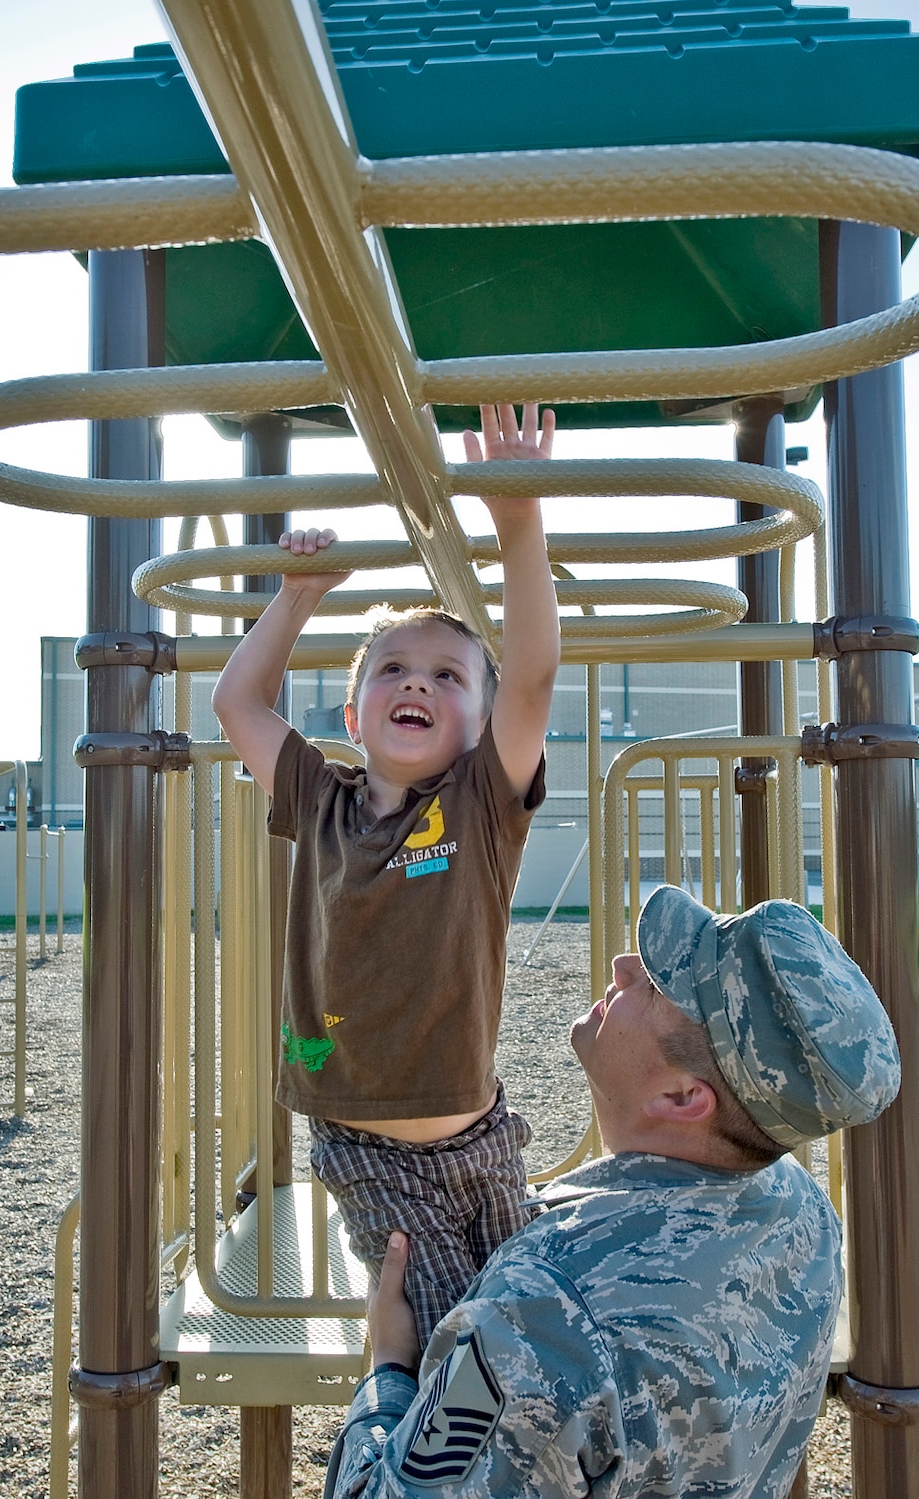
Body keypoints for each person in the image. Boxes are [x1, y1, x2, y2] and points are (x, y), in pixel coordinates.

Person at [325, 886, 903, 1498]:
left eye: (654, 985)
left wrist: (390, 1368)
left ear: (683, 1098)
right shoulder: (801, 1214)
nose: (623, 968)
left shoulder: (546, 1310)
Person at [211, 401, 560, 1348]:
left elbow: (530, 676)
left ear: (482, 728)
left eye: (449, 677)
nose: (418, 683)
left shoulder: (480, 805)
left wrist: (519, 525)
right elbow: (236, 700)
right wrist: (297, 596)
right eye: (394, 669)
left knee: (528, 1331)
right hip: (371, 1152)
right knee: (460, 1344)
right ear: (354, 712)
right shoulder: (317, 798)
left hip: (482, 1139)